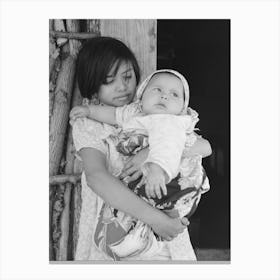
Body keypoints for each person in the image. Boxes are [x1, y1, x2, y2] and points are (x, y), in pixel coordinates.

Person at [70, 37, 212, 261]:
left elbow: (203, 146)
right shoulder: (89, 123)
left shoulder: (155, 113)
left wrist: (149, 153)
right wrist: (156, 220)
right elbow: (97, 177)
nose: (122, 87)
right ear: (93, 85)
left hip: (166, 239)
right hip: (116, 236)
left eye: (127, 77)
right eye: (109, 80)